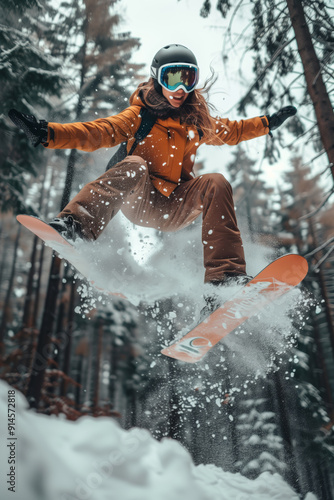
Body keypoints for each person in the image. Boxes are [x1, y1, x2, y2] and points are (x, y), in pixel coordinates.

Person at [9, 43, 296, 290]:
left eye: (188, 78)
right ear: (158, 79)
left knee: (215, 182)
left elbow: (231, 131)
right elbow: (98, 131)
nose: (180, 88)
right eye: (172, 79)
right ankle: (75, 225)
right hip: (141, 199)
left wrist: (266, 123)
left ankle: (225, 279)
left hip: (177, 206)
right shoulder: (140, 115)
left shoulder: (195, 120)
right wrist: (50, 133)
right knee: (134, 164)